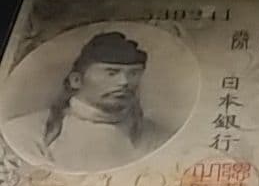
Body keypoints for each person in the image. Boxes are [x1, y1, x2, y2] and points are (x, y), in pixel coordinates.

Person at [2, 32, 170, 172]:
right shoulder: (26, 133)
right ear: (76, 80)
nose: (124, 82)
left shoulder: (157, 137)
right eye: (111, 73)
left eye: (133, 73)